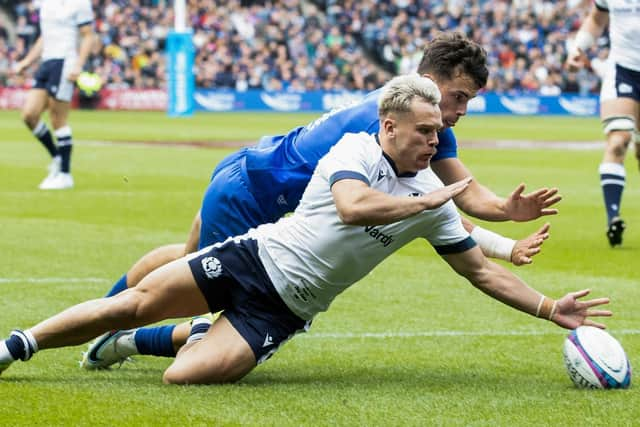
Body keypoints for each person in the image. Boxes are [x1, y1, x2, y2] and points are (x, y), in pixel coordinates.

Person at [0, 75, 610, 384]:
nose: (436, 141)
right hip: (253, 258)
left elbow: (480, 271)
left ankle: (130, 346)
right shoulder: (353, 149)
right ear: (389, 126)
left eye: (437, 133)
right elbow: (352, 207)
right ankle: (17, 345)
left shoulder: (433, 194)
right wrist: (428, 205)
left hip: (283, 311)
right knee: (131, 302)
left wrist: (548, 306)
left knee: (184, 375)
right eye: (424, 132)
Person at [84, 32, 560, 367]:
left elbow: (453, 198)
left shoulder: (411, 112)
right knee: (213, 310)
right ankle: (115, 337)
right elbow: (439, 201)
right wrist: (503, 230)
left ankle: (105, 320)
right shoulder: (399, 121)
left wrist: (505, 220)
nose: (461, 111)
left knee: (185, 260)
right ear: (432, 81)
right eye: (459, 96)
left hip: (248, 168)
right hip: (252, 195)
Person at [565, 1, 640, 246]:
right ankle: (613, 218)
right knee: (619, 140)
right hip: (623, 70)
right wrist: (578, 48)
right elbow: (597, 19)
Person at [13, 0, 95, 190]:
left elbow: (88, 36)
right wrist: (27, 61)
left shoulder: (80, 4)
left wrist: (78, 65)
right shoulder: (46, 3)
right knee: (29, 115)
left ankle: (65, 175)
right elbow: (45, 37)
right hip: (47, 62)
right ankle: (57, 157)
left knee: (58, 118)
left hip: (65, 61)